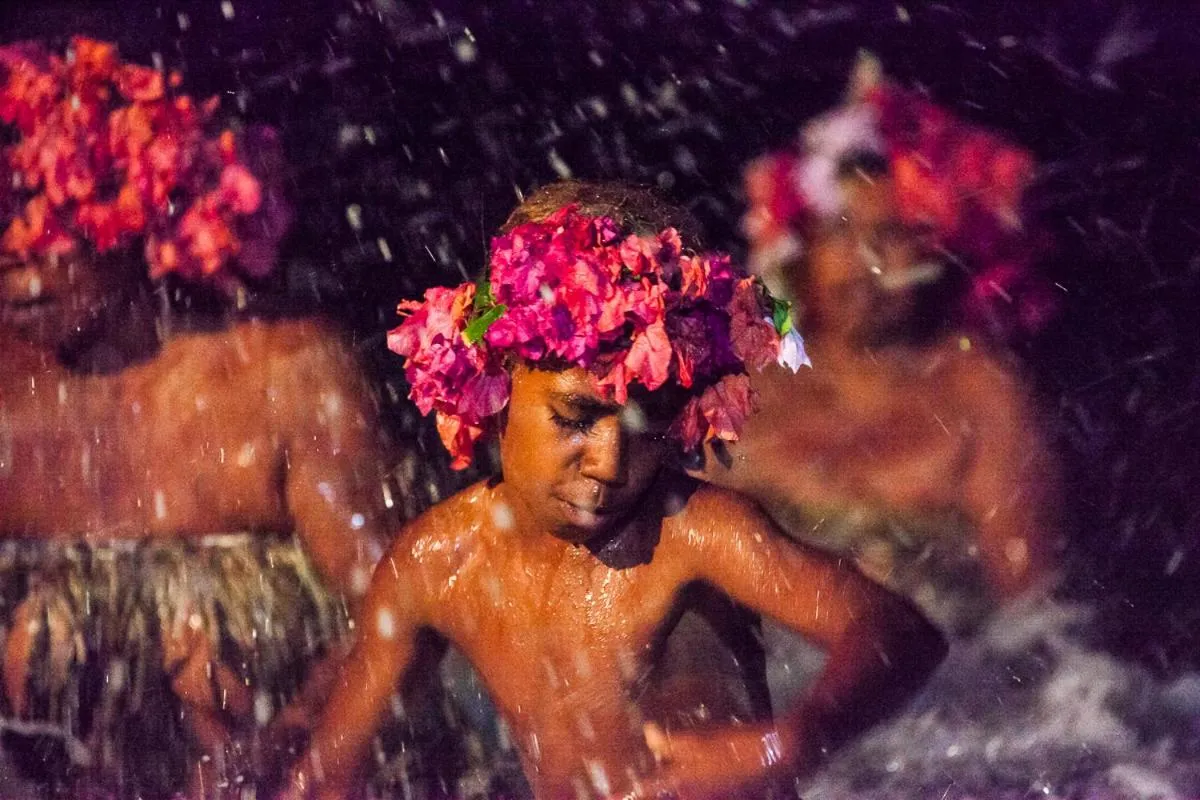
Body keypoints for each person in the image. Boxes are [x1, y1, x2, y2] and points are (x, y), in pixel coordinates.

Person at [280, 181, 947, 799]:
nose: (608, 462)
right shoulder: (435, 563)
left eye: (645, 423)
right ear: (495, 383)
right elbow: (327, 779)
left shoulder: (696, 535)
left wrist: (794, 740)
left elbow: (899, 631)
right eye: (575, 418)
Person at [0, 37, 411, 796]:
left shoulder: (279, 375)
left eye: (36, 221)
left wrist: (299, 749)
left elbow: (400, 609)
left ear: (125, 201)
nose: (10, 255)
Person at [697, 55, 1063, 628]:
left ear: (936, 248)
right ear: (799, 249)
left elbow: (1037, 622)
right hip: (769, 692)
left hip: (941, 698)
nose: (867, 263)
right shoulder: (737, 386)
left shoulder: (980, 393)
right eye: (840, 234)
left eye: (890, 235)